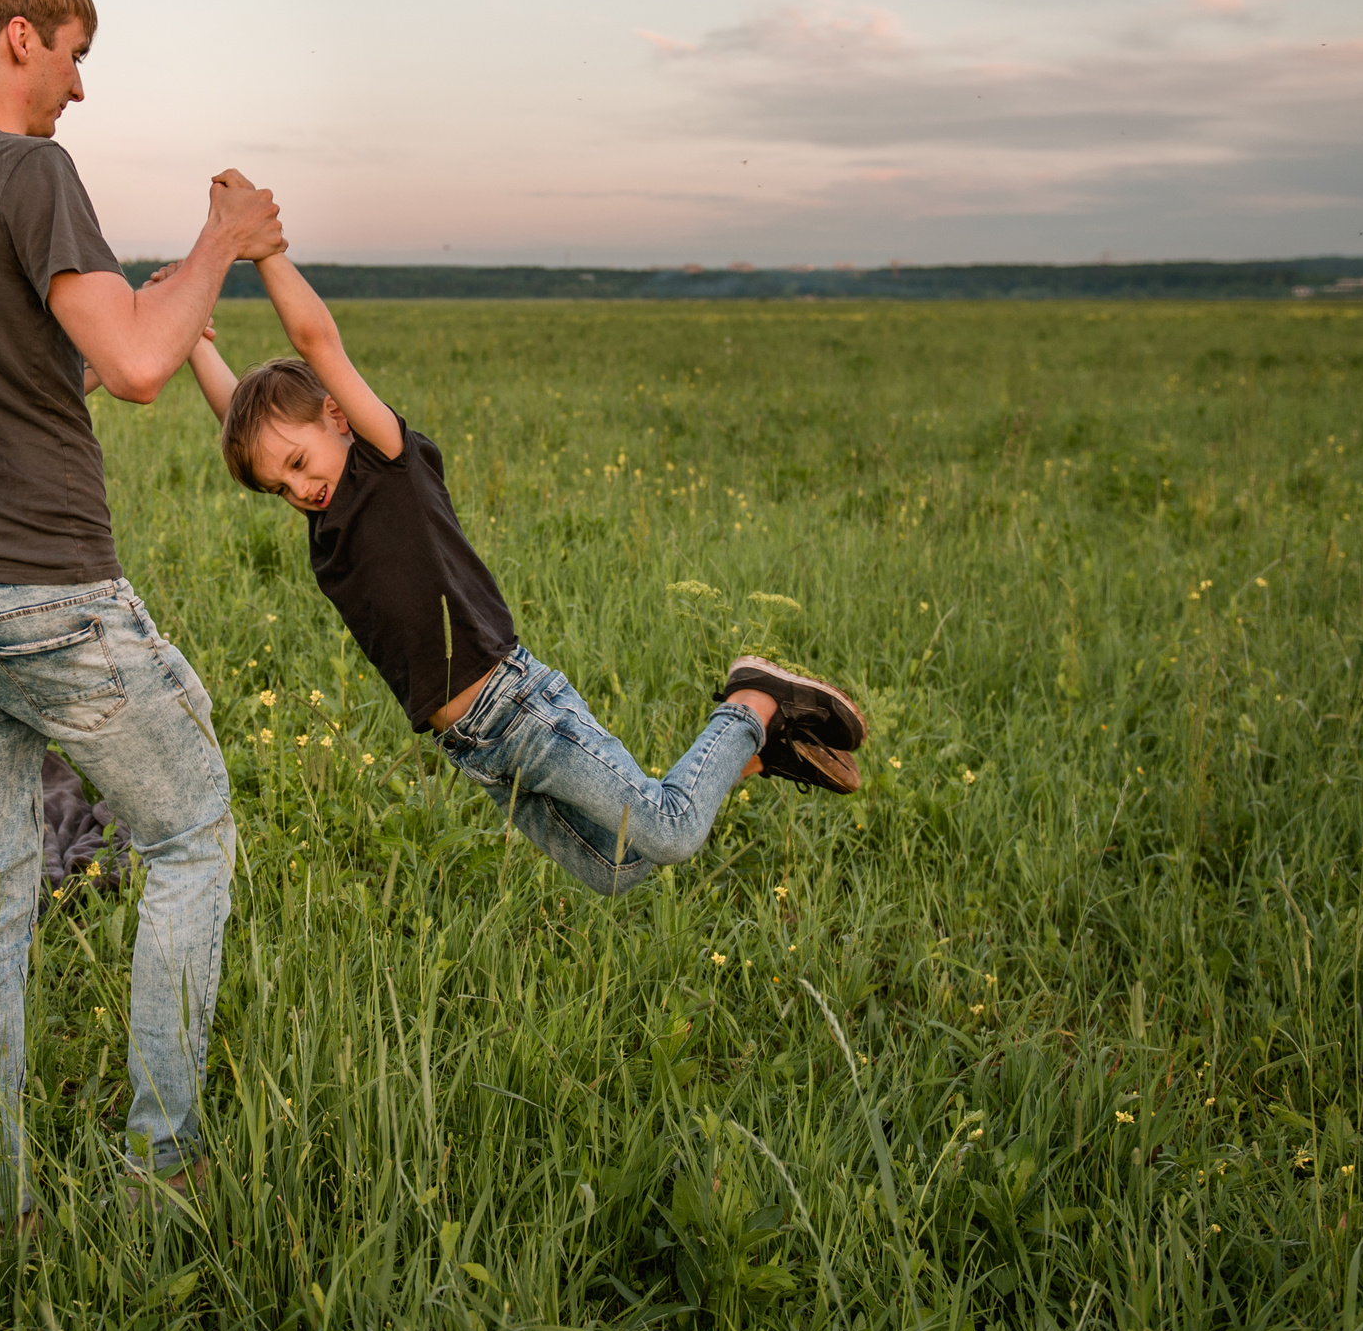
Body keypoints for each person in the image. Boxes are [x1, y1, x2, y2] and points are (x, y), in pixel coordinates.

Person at [0, 0, 286, 1227]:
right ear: (20, 40)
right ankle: (162, 1170)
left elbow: (80, 361)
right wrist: (223, 239)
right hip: (44, 590)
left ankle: (0, 1210)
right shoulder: (31, 168)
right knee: (190, 834)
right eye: (77, 53)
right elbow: (145, 371)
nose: (82, 89)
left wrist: (169, 292)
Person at [176, 249, 867, 895]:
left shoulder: (386, 463)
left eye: (298, 465)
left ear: (337, 415)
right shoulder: (325, 516)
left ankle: (750, 702)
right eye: (278, 487)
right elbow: (240, 416)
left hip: (519, 708)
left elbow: (316, 343)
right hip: (473, 745)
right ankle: (750, 754)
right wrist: (195, 344)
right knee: (616, 868)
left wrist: (263, 250)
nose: (296, 489)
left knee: (670, 831)